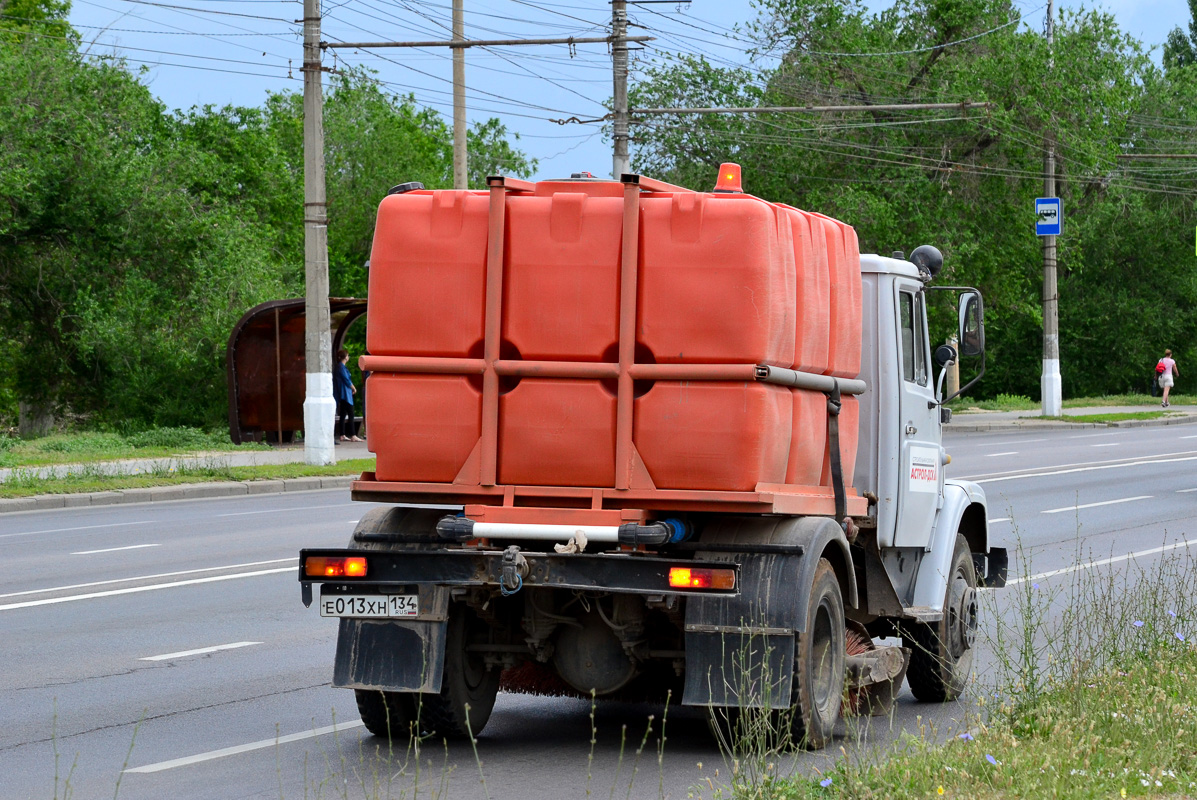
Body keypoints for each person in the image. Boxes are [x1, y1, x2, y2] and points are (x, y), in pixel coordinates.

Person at [334, 348, 362, 442]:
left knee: (342, 414)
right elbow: (346, 379)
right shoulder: (341, 367)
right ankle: (353, 435)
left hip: (343, 394)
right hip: (345, 394)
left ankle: (342, 434)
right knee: (351, 413)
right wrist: (353, 387)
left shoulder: (340, 367)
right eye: (348, 355)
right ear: (345, 357)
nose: (348, 357)